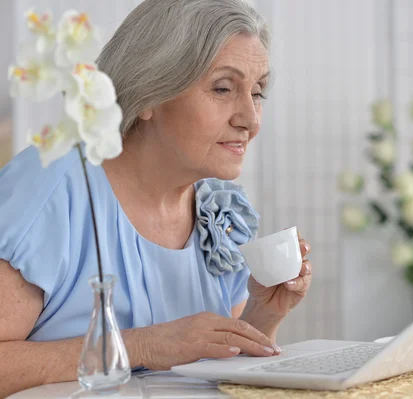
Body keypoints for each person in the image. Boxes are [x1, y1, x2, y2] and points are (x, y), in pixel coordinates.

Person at [0, 0, 313, 396]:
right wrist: (143, 345)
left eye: (257, 92)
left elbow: (216, 377)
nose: (250, 120)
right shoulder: (52, 186)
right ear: (148, 91)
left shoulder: (222, 211)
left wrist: (262, 316)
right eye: (223, 88)